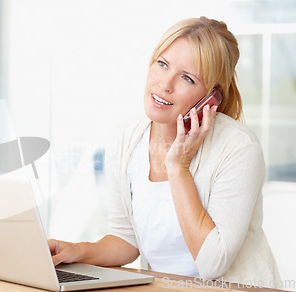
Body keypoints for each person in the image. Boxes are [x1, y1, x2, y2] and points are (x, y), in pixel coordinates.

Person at [48, 17, 280, 288]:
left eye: (187, 78)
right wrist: (78, 250)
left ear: (211, 98)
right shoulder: (126, 139)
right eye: (162, 64)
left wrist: (178, 168)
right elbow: (127, 240)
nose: (165, 84)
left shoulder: (238, 149)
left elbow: (212, 263)